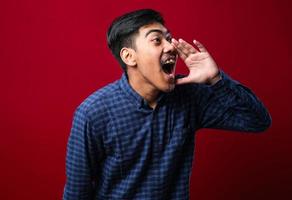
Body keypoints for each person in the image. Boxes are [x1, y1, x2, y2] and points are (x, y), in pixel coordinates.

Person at [63, 9, 271, 200]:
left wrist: (216, 80)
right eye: (157, 40)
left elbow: (257, 121)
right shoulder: (93, 113)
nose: (171, 46)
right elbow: (76, 193)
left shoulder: (190, 97)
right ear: (129, 56)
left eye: (169, 38)